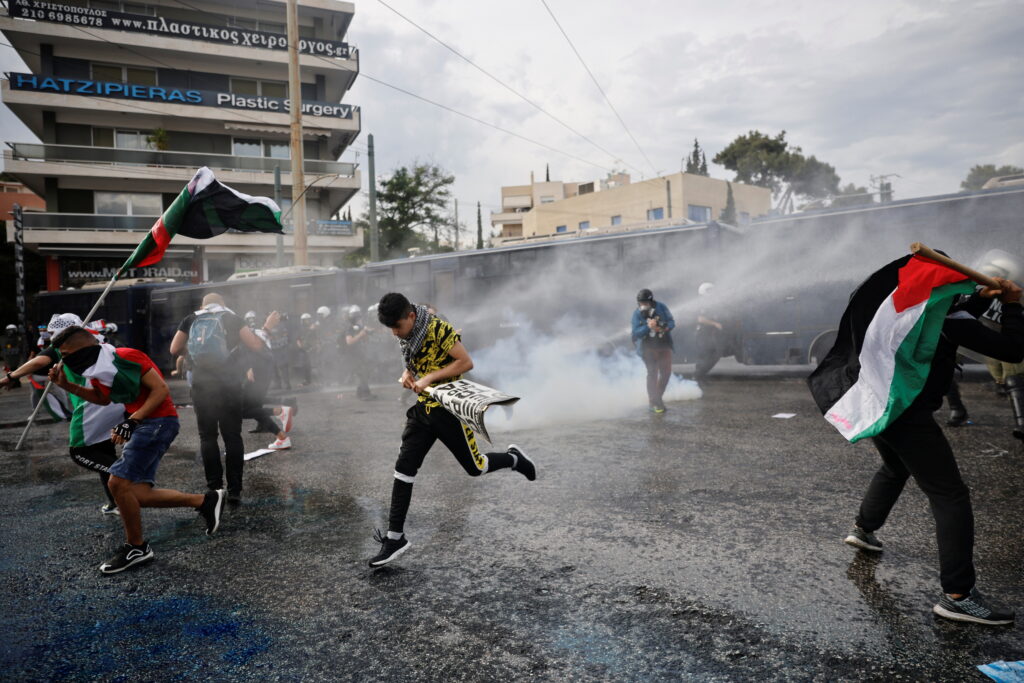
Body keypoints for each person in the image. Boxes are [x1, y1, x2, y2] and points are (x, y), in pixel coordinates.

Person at [843, 276, 1024, 625]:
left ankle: (863, 528)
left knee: (896, 467)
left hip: (881, 404)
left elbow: (953, 314)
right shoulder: (946, 318)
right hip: (908, 415)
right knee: (950, 495)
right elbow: (1013, 350)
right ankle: (958, 596)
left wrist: (981, 297)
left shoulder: (904, 309)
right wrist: (1013, 305)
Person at [368, 292, 537, 567]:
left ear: (411, 316)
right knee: (403, 470)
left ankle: (514, 459)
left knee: (476, 467)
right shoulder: (407, 335)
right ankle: (395, 538)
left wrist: (429, 378)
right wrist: (408, 375)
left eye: (397, 326)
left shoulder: (438, 328)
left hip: (450, 410)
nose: (394, 333)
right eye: (390, 328)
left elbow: (466, 362)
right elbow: (412, 363)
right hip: (424, 410)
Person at [47, 326, 225, 574]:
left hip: (159, 421)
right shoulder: (98, 369)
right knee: (136, 494)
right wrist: (66, 385)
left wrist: (132, 421)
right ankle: (205, 501)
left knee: (117, 483)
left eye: (66, 354)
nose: (64, 361)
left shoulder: (125, 356)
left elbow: (161, 389)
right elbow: (103, 398)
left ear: (83, 348)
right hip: (145, 423)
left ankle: (137, 547)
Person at [2, 313, 124, 514]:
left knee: (80, 452)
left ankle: (129, 477)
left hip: (91, 406)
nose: (51, 338)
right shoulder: (96, 338)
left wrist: (10, 377)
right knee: (103, 452)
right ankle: (116, 502)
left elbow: (39, 362)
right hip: (114, 402)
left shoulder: (65, 346)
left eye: (53, 333)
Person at [170, 293, 263, 505]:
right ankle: (235, 489)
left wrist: (192, 353)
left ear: (203, 305)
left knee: (207, 437)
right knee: (232, 436)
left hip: (202, 385)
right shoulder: (233, 318)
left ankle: (215, 487)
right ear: (222, 304)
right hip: (229, 385)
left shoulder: (191, 318)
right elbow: (255, 345)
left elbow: (174, 349)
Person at [240, 310, 295, 451]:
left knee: (243, 410)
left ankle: (280, 411)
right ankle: (282, 437)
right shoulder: (258, 332)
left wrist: (248, 367)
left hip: (255, 372)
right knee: (255, 408)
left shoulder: (251, 332)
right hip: (262, 371)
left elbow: (248, 348)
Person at [631, 288, 676, 413]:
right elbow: (636, 333)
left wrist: (663, 328)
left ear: (651, 301)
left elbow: (671, 322)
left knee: (666, 373)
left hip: (664, 344)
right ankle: (653, 402)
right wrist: (648, 327)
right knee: (652, 373)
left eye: (645, 302)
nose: (643, 305)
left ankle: (658, 398)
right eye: (641, 303)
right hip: (648, 347)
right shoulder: (636, 314)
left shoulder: (661, 307)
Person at [694, 282, 726, 383]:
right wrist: (715, 324)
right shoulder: (702, 304)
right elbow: (700, 319)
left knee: (711, 354)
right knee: (709, 354)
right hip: (703, 334)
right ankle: (698, 377)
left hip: (708, 334)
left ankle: (700, 376)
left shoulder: (709, 303)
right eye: (710, 291)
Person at [344, 304, 374, 400]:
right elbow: (349, 341)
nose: (359, 318)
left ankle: (362, 393)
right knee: (361, 373)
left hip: (360, 353)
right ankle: (364, 394)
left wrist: (366, 334)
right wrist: (360, 334)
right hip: (353, 355)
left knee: (365, 372)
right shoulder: (350, 327)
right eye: (357, 316)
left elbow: (364, 338)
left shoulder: (359, 326)